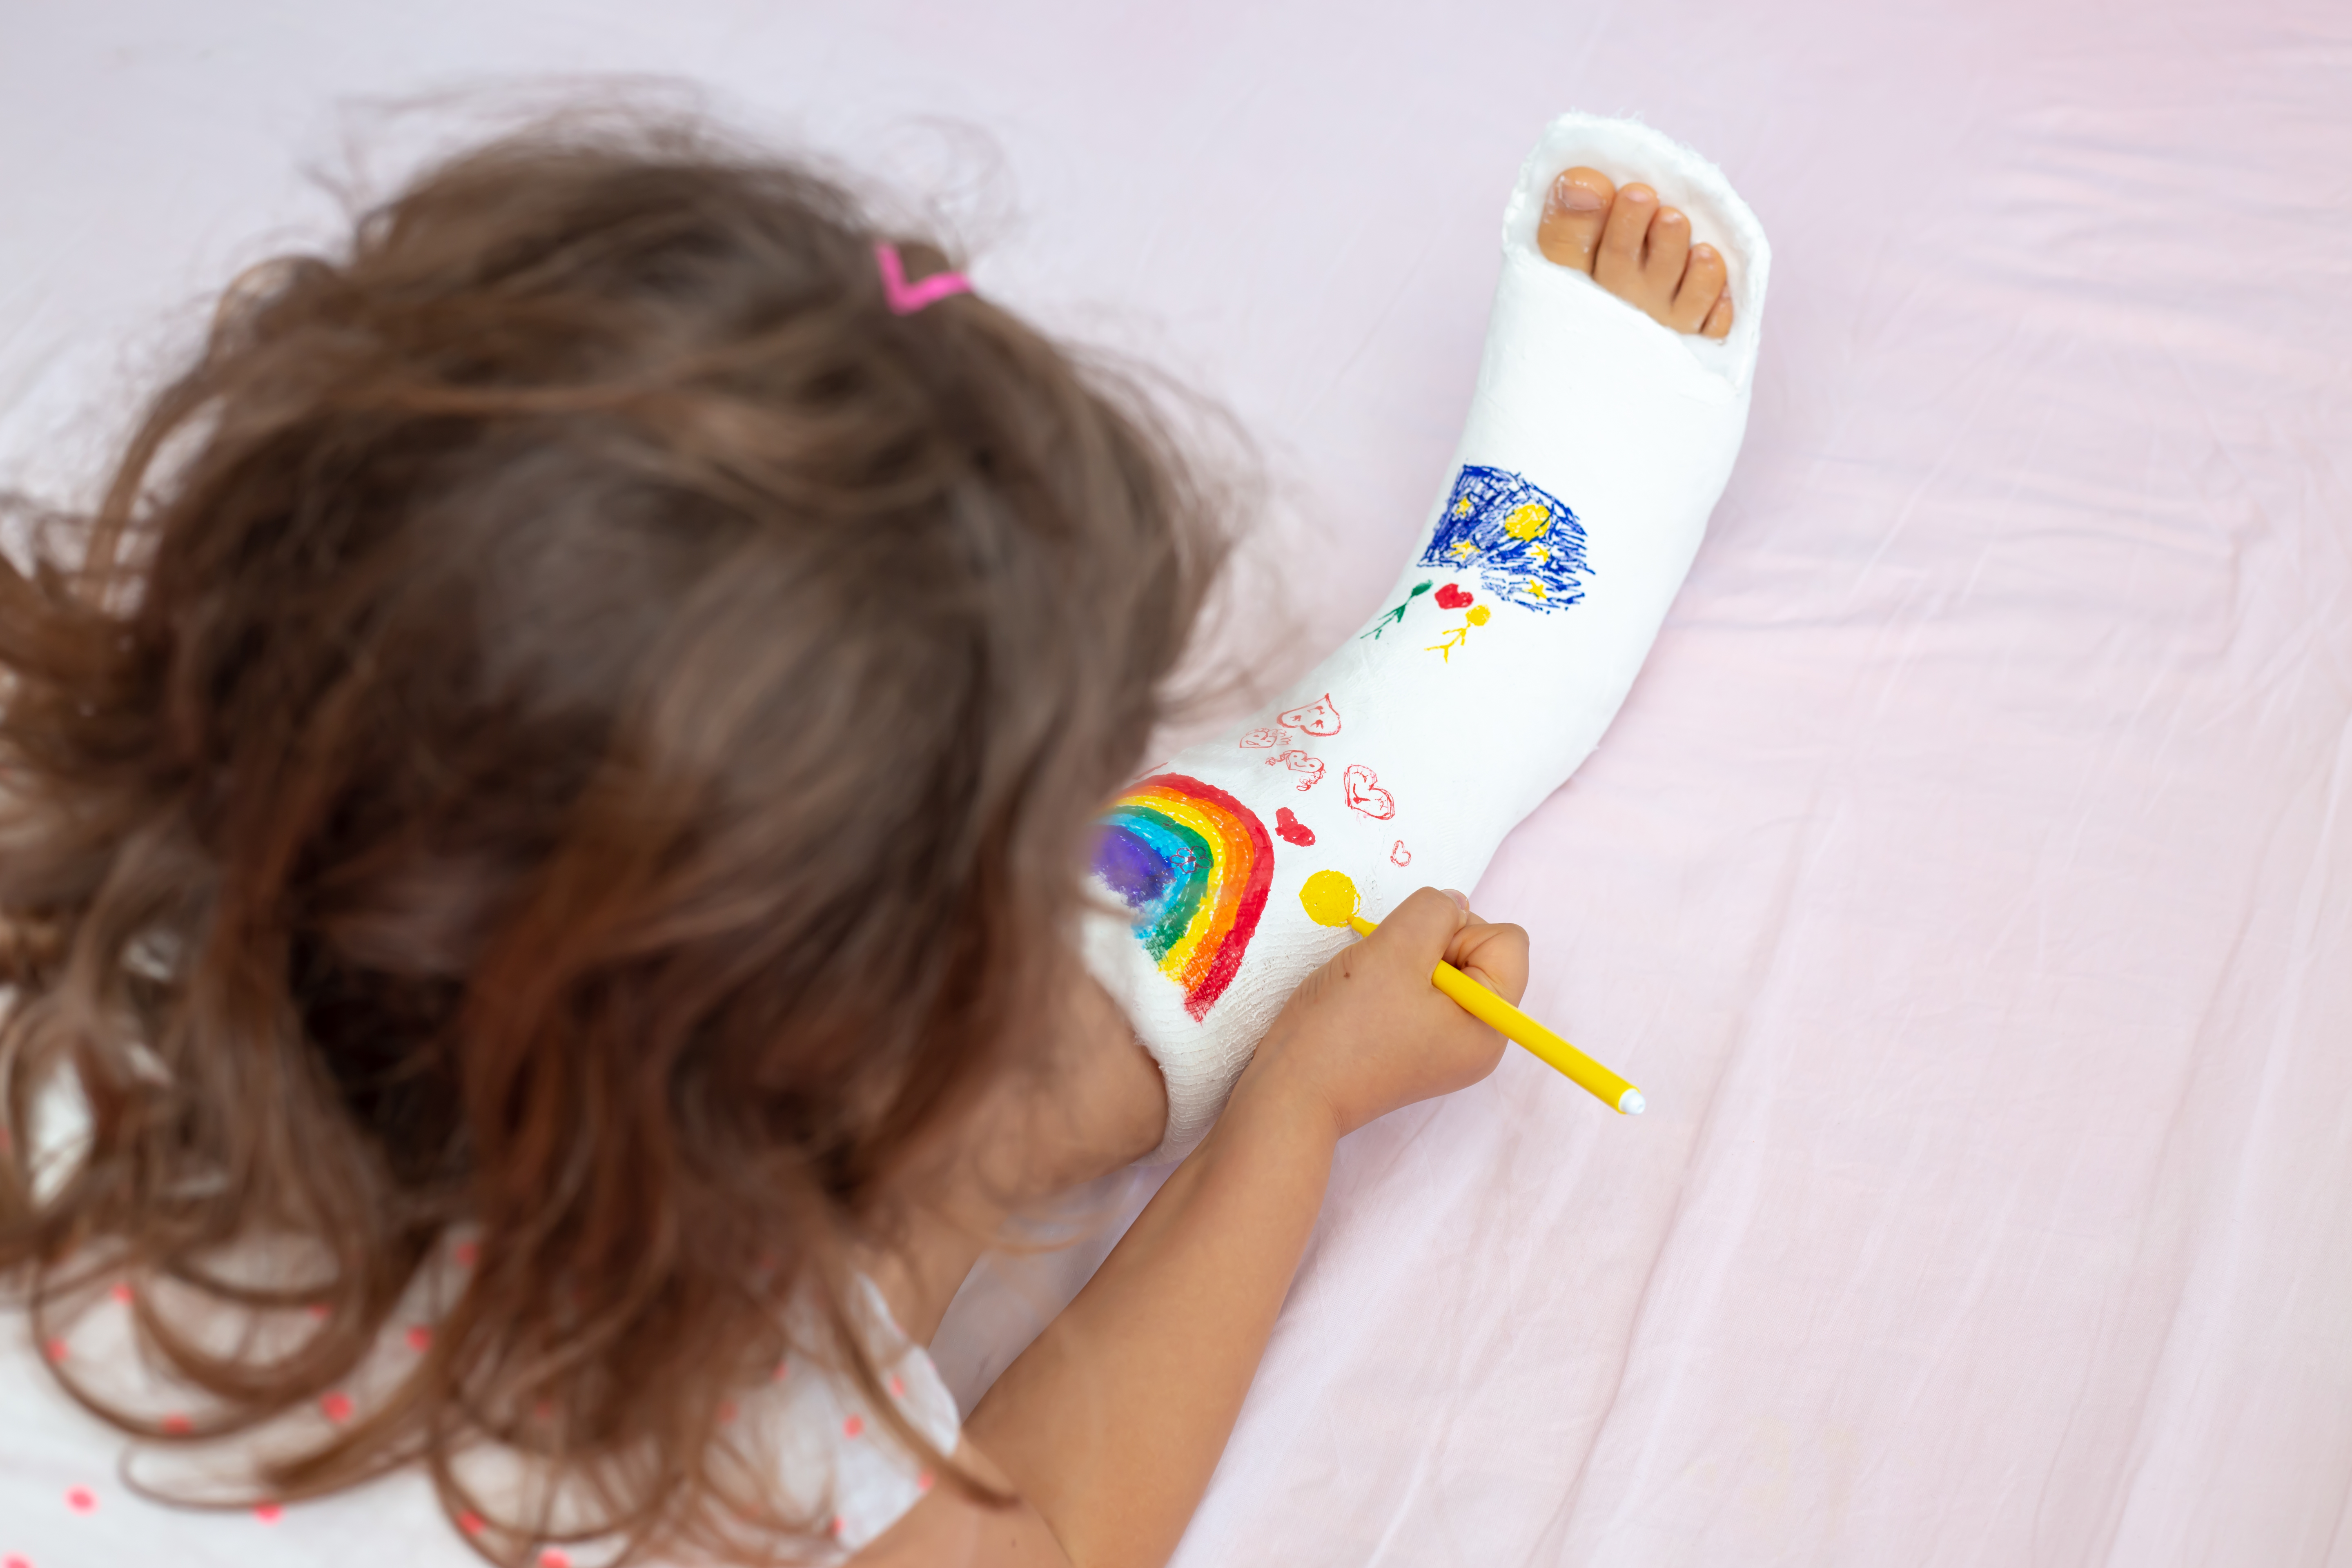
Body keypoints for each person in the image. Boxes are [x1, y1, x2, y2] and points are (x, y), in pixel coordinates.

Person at [0, 113, 1734, 1567]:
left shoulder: (111, 938)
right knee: (1083, 1031)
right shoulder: (681, 1445)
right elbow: (1042, 1529)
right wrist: (1292, 1122)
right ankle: (1383, 767)